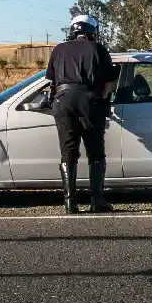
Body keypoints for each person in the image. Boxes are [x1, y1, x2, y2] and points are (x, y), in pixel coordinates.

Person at [46, 14, 119, 213]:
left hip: (62, 101)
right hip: (89, 100)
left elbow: (51, 80)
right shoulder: (98, 49)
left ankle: (70, 203)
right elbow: (109, 81)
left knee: (68, 152)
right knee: (95, 152)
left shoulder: (59, 49)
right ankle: (97, 200)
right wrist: (103, 98)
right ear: (92, 31)